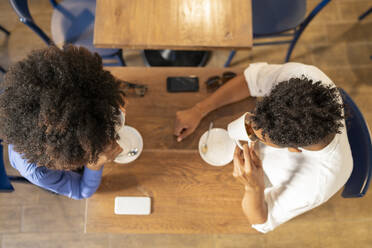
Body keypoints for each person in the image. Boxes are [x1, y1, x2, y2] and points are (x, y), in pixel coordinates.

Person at [174, 62, 353, 233]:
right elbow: (251, 80)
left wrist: (253, 187)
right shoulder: (303, 80)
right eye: (252, 118)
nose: (249, 129)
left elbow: (261, 221)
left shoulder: (317, 184)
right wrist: (199, 110)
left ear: (293, 149)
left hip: (261, 184)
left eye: (255, 136)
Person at [0, 45, 126, 199]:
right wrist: (96, 164)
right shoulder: (37, 171)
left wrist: (109, 104)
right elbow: (81, 191)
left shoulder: (35, 85)